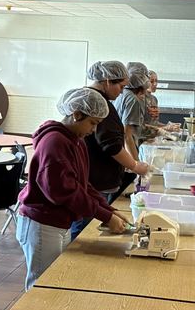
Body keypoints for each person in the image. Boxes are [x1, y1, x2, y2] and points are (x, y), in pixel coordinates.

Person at [16, 88, 127, 289]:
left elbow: (83, 184)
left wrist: (109, 210)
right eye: (92, 123)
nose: (94, 130)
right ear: (76, 114)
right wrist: (104, 215)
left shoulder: (76, 140)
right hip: (42, 221)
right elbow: (64, 191)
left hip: (59, 221)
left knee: (55, 278)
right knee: (42, 283)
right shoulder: (55, 142)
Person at [70, 61, 150, 239]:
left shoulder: (99, 101)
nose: (122, 92)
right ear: (107, 81)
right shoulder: (96, 102)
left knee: (88, 224)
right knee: (84, 230)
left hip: (94, 181)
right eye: (121, 87)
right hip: (96, 178)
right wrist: (134, 165)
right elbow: (111, 144)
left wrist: (108, 211)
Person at [114, 62, 151, 158]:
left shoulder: (123, 94)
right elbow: (127, 136)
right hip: (124, 149)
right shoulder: (133, 100)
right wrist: (135, 163)